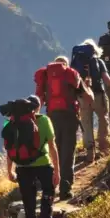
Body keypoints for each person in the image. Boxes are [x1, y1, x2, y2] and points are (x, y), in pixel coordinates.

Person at [0, 95, 60, 218]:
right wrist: (57, 171)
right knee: (48, 190)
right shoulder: (44, 121)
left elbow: (9, 150)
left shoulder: (11, 123)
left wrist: (9, 171)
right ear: (37, 107)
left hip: (22, 167)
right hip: (43, 164)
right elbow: (52, 146)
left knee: (28, 201)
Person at [34, 56, 92, 200]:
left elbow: (38, 99)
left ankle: (50, 189)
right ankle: (65, 189)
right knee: (67, 152)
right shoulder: (71, 74)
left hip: (52, 118)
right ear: (66, 65)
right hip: (70, 117)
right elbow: (89, 97)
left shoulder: (46, 76)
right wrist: (86, 87)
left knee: (54, 152)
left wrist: (35, 119)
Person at [71, 39, 110, 162]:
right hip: (97, 94)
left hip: (82, 96)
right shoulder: (99, 61)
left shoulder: (76, 62)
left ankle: (90, 153)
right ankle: (103, 145)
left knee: (86, 124)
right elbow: (106, 79)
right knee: (103, 118)